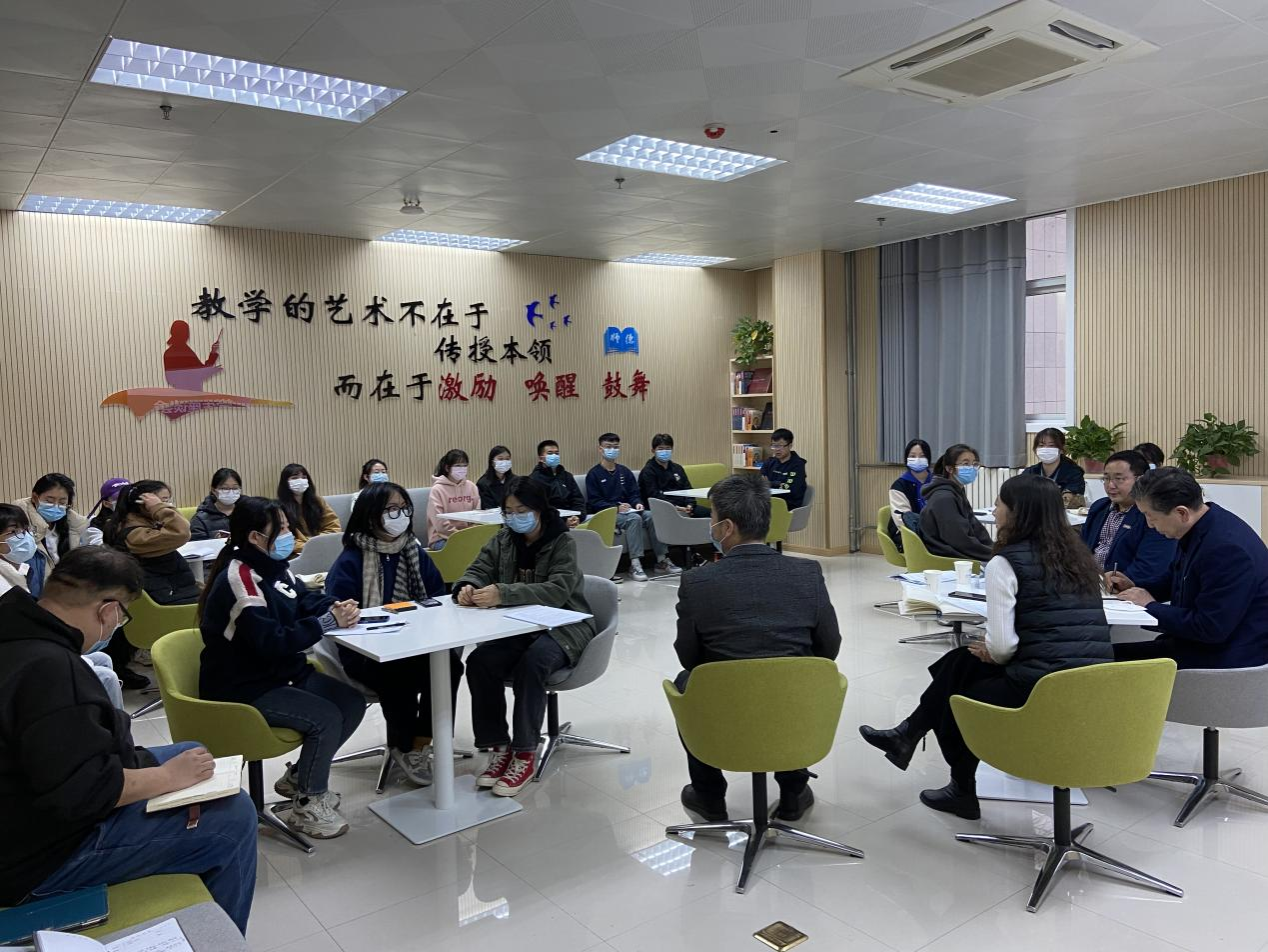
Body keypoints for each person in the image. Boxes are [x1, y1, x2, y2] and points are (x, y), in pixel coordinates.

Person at [0, 546, 257, 934]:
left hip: (28, 806)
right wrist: (166, 778)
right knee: (233, 818)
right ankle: (218, 939)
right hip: (37, 859)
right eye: (122, 615)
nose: (117, 625)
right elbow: (83, 792)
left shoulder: (17, 632)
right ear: (108, 610)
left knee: (191, 752)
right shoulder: (51, 669)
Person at [861, 475, 1113, 819]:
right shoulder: (1079, 558)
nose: (994, 511)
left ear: (1017, 512)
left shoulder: (1006, 563)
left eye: (999, 504)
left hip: (1041, 689)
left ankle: (959, 787)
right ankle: (906, 734)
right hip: (1093, 683)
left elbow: (1003, 648)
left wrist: (992, 653)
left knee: (955, 698)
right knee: (959, 661)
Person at [673, 473, 841, 823]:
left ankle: (709, 795)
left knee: (685, 682)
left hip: (726, 705)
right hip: (793, 702)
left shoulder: (697, 581)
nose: (710, 526)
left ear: (727, 527)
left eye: (712, 518)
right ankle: (793, 790)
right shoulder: (808, 573)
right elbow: (829, 647)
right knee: (803, 674)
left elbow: (689, 657)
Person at [199, 497, 365, 838]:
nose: (290, 534)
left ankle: (301, 776)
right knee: (325, 717)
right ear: (256, 537)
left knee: (351, 702)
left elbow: (301, 597)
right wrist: (325, 623)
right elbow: (270, 640)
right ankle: (307, 803)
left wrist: (334, 606)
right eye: (283, 529)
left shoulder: (274, 565)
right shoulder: (239, 579)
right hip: (245, 685)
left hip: (281, 672)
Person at [458, 477, 595, 797]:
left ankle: (524, 753)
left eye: (522, 510)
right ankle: (498, 747)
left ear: (539, 509)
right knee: (480, 662)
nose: (515, 517)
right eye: (509, 511)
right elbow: (480, 567)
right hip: (518, 626)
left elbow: (558, 591)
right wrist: (467, 585)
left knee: (532, 664)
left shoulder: (562, 541)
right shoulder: (504, 538)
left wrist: (503, 593)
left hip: (565, 626)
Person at [324, 482, 463, 786]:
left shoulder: (413, 551)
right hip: (365, 651)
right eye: (391, 509)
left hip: (416, 642)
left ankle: (422, 742)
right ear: (370, 515)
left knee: (450, 666)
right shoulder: (351, 560)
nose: (400, 515)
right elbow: (337, 611)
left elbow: (437, 597)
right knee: (398, 671)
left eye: (404, 508)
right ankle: (402, 746)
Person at [1108, 467, 1268, 669]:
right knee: (1097, 656)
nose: (1149, 525)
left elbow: (1210, 628)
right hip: (1195, 644)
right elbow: (1176, 580)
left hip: (1226, 658)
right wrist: (1133, 586)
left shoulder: (1226, 549)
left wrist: (1149, 605)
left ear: (1181, 513)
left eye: (1150, 516)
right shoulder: (1201, 525)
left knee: (1101, 666)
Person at [0, 503, 125, 709]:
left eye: (25, 530)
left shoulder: (19, 569)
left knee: (101, 658)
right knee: (105, 676)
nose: (23, 537)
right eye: (13, 532)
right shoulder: (4, 582)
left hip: (30, 648)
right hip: (17, 660)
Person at [586, 432, 679, 582]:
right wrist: (616, 507)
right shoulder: (594, 474)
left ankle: (662, 559)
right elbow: (594, 501)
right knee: (634, 519)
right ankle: (635, 564)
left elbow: (634, 493)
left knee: (652, 515)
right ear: (600, 449)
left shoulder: (624, 471)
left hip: (630, 510)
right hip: (609, 513)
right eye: (608, 447)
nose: (612, 450)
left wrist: (637, 503)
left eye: (616, 447)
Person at [1079, 450, 1175, 580]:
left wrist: (1115, 582)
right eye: (1106, 478)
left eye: (1119, 479)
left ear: (1140, 479)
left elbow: (1150, 565)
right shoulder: (1099, 507)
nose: (1111, 485)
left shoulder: (1151, 514)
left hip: (1123, 585)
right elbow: (1081, 549)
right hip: (1088, 581)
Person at [106, 481, 199, 606]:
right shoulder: (134, 534)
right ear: (142, 503)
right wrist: (159, 508)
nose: (167, 505)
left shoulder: (145, 523)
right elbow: (182, 533)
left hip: (172, 589)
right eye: (162, 501)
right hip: (165, 599)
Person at [14, 473, 87, 598]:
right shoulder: (18, 526)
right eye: (49, 501)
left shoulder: (74, 527)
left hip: (66, 596)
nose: (55, 506)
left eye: (62, 502)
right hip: (33, 598)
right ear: (35, 498)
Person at [919, 444, 994, 563]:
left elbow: (976, 527)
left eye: (974, 464)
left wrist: (995, 549)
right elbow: (959, 540)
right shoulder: (944, 498)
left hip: (958, 549)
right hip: (948, 555)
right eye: (965, 464)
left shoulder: (957, 491)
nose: (971, 468)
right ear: (949, 469)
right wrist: (992, 554)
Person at [276, 463, 340, 555]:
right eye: (294, 478)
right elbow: (283, 538)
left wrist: (318, 542)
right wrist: (309, 546)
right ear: (285, 482)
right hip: (297, 552)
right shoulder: (279, 507)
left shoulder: (318, 501)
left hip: (323, 545)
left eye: (304, 477)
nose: (300, 481)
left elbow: (333, 526)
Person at [638, 433, 704, 518]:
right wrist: (676, 507)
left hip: (685, 507)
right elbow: (654, 496)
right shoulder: (648, 471)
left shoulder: (677, 468)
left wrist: (690, 505)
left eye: (668, 448)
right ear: (653, 451)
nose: (664, 451)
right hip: (663, 509)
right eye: (660, 449)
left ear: (672, 450)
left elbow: (687, 489)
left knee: (711, 514)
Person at [425, 449, 480, 550]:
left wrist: (470, 533)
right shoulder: (437, 490)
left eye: (464, 465)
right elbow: (439, 523)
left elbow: (478, 514)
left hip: (468, 536)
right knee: (463, 550)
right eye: (458, 466)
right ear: (447, 468)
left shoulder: (472, 487)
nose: (461, 469)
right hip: (441, 538)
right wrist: (459, 536)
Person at [887, 438, 933, 547]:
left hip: (934, 532)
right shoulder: (899, 486)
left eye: (922, 456)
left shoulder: (936, 481)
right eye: (912, 456)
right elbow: (902, 521)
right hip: (908, 534)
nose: (917, 459)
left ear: (928, 458)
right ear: (906, 459)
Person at [1023, 427, 1086, 505]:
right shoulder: (1029, 472)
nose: (1046, 449)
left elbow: (1070, 498)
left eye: (1051, 445)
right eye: (1041, 445)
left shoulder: (1074, 473)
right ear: (1035, 450)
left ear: (1062, 449)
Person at [529, 439, 584, 527]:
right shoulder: (534, 479)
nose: (554, 456)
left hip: (574, 519)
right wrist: (563, 521)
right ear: (541, 458)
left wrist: (578, 517)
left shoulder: (567, 476)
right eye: (550, 453)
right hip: (551, 522)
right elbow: (540, 508)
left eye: (557, 453)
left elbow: (578, 499)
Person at [759, 428, 808, 509]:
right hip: (769, 502)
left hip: (789, 505)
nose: (777, 449)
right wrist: (779, 484)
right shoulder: (769, 462)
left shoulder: (798, 465)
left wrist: (770, 483)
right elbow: (761, 483)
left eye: (780, 446)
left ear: (790, 446)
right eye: (774, 445)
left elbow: (791, 489)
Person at [189, 468, 242, 540]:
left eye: (235, 488)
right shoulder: (200, 519)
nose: (230, 492)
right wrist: (214, 542)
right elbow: (196, 544)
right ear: (214, 490)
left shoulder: (249, 512)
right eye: (225, 488)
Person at [82, 478, 130, 547]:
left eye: (128, 495)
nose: (125, 500)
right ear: (106, 503)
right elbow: (102, 549)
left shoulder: (141, 517)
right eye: (119, 497)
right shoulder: (95, 528)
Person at [477, 445, 515, 510]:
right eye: (500, 459)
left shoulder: (516, 480)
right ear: (492, 462)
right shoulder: (483, 483)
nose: (504, 462)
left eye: (507, 459)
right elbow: (487, 507)